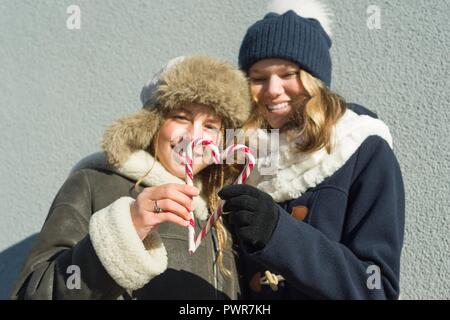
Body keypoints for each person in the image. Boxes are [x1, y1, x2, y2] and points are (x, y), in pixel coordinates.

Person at [11, 55, 251, 299]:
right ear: (152, 123)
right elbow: (35, 293)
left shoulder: (221, 209)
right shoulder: (93, 184)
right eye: (181, 117)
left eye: (210, 126)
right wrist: (124, 232)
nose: (193, 136)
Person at [218, 0, 405, 299]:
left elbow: (377, 288)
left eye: (287, 73)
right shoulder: (240, 153)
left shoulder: (361, 149)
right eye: (258, 78)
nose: (272, 89)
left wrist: (279, 234)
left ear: (313, 79)